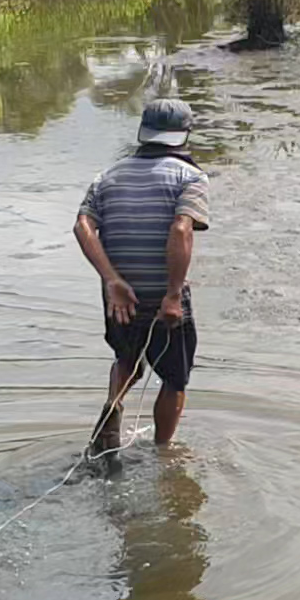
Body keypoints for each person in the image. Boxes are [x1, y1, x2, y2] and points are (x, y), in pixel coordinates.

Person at [73, 98, 211, 454]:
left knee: (126, 360)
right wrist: (173, 294)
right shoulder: (190, 177)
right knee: (174, 378)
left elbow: (82, 226)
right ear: (184, 135)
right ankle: (165, 452)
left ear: (143, 133)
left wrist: (111, 281)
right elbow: (181, 230)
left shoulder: (107, 176)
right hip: (162, 293)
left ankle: (114, 403)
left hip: (120, 297)